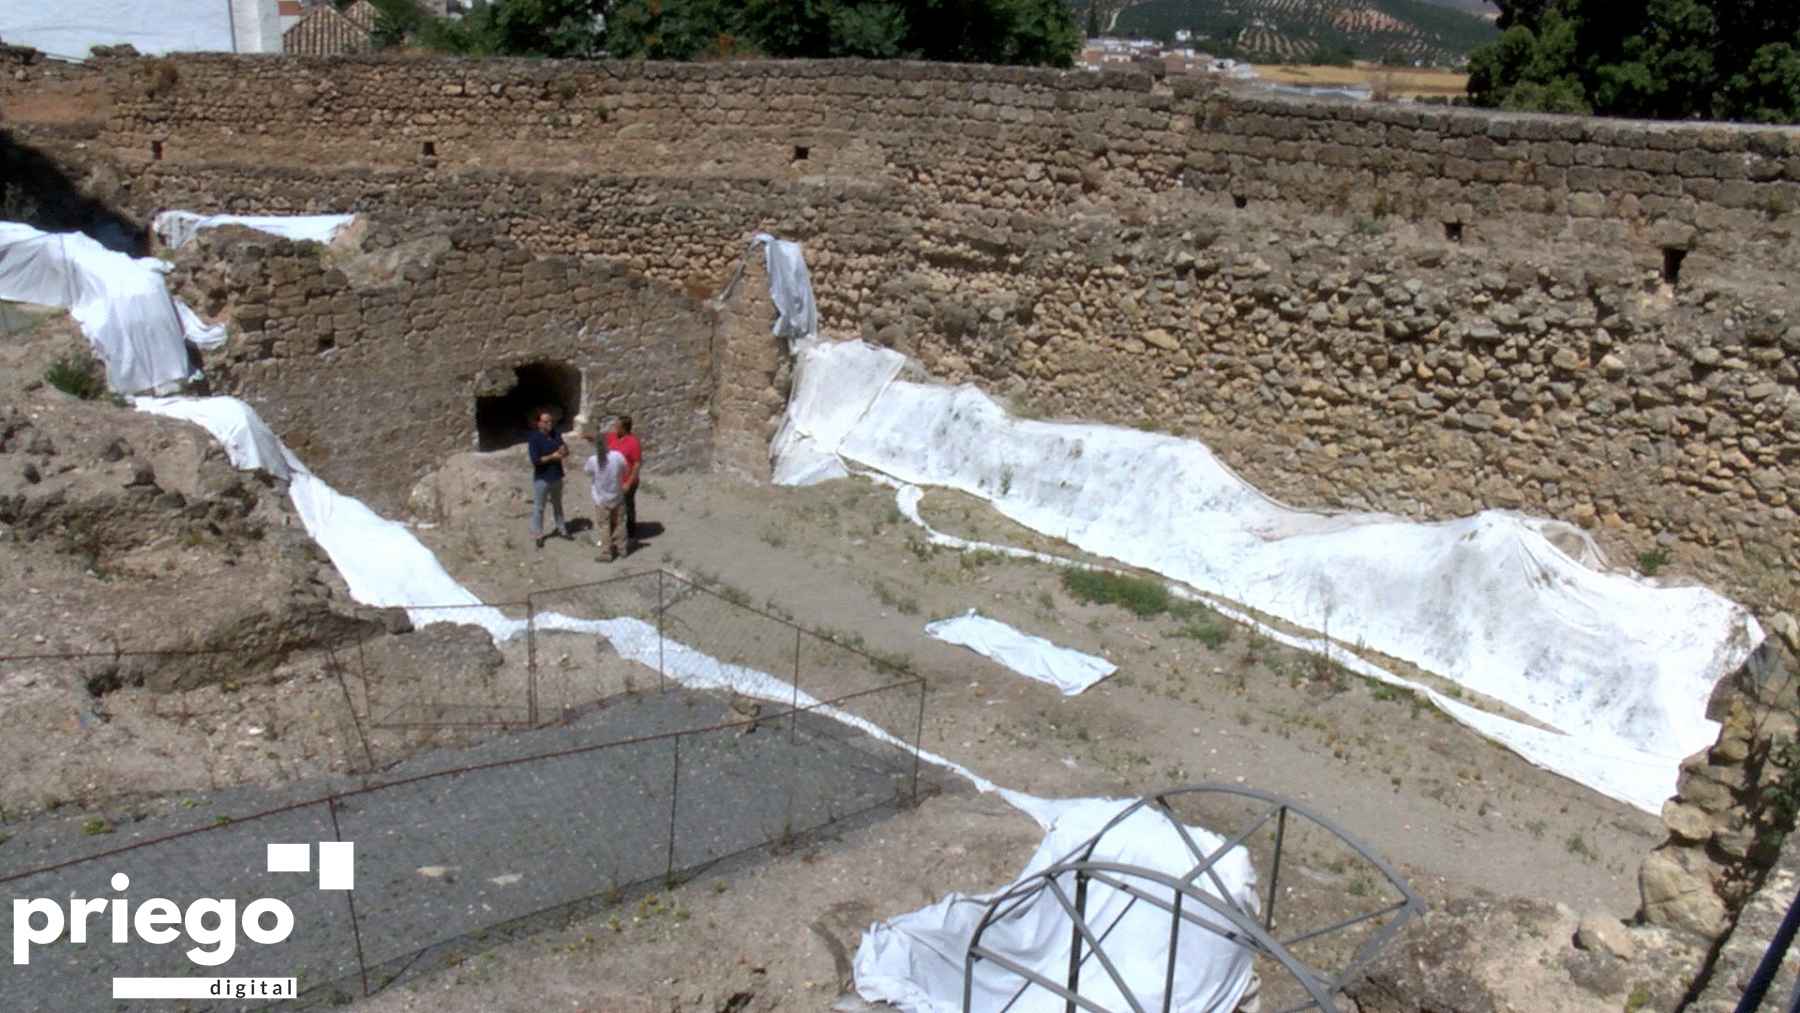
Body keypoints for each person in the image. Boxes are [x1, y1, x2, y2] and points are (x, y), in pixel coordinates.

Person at [525, 409, 570, 549]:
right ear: (539, 423)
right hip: (542, 478)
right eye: (546, 421)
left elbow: (565, 450)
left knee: (558, 505)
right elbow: (536, 460)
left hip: (556, 476)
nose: (549, 423)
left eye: (551, 421)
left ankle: (562, 529)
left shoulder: (556, 434)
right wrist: (553, 456)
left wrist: (564, 450)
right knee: (539, 507)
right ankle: (538, 535)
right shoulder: (534, 439)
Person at [583, 429, 630, 562]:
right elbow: (626, 469)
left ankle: (606, 552)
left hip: (601, 498)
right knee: (620, 522)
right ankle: (622, 549)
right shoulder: (617, 456)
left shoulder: (593, 460)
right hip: (617, 495)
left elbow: (587, 472)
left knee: (604, 525)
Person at [605, 414, 643, 543]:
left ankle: (631, 533)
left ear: (624, 428)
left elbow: (637, 465)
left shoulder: (633, 443)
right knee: (612, 507)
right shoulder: (613, 437)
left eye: (617, 425)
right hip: (615, 481)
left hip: (627, 481)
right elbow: (600, 438)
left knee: (627, 507)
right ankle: (614, 534)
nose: (614, 427)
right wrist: (587, 436)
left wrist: (628, 482)